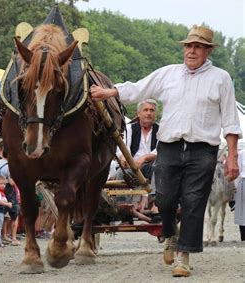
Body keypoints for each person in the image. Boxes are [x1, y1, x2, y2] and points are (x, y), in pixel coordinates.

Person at [91, 25, 242, 277]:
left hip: (203, 149)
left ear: (207, 51)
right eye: (188, 46)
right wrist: (110, 91)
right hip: (169, 148)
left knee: (194, 202)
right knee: (164, 198)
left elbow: (230, 121)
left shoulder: (221, 78)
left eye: (197, 47)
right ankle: (171, 234)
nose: (191, 51)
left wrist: (233, 157)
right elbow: (139, 88)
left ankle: (184, 256)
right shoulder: (168, 74)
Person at [116, 99, 158, 182]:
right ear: (139, 113)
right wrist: (124, 158)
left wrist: (145, 157)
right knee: (121, 173)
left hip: (151, 166)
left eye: (152, 110)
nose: (149, 113)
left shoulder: (161, 130)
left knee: (159, 168)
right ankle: (121, 195)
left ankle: (153, 195)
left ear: (155, 114)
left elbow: (161, 150)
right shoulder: (129, 128)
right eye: (145, 110)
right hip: (132, 165)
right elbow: (122, 146)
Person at [235, 149, 245, 241]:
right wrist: (237, 187)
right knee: (243, 211)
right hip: (244, 181)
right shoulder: (241, 153)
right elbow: (238, 171)